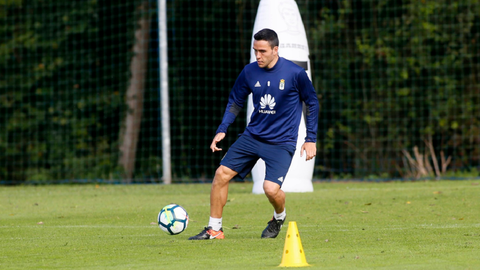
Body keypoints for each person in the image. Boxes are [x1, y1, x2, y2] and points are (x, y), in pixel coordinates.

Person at [189, 28, 319, 240]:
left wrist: (310, 139)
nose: (258, 56)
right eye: (255, 51)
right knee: (221, 174)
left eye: (263, 51)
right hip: (252, 137)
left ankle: (279, 216)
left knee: (270, 189)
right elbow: (235, 101)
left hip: (281, 142)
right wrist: (222, 129)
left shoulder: (295, 74)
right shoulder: (249, 72)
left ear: (275, 50)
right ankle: (215, 229)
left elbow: (312, 102)